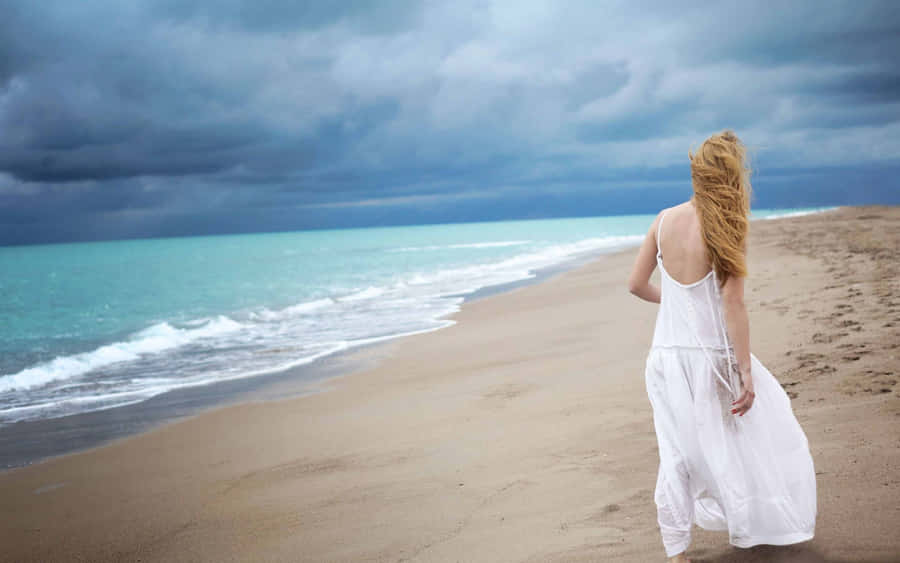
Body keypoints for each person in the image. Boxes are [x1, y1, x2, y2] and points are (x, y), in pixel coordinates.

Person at [627, 130, 817, 562]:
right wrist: (745, 369)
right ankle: (751, 526)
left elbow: (636, 285)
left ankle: (676, 550)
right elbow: (733, 303)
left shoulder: (662, 220)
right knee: (751, 435)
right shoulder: (727, 224)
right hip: (712, 359)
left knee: (676, 451)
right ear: (731, 176)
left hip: (665, 359)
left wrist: (677, 309)